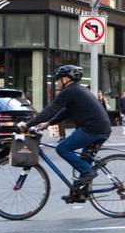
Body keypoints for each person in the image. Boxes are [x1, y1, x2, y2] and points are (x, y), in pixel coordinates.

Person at [20, 64, 112, 204]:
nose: (57, 83)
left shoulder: (70, 91)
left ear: (66, 79)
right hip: (101, 128)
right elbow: (66, 111)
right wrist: (48, 123)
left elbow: (51, 109)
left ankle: (87, 173)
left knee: (62, 148)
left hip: (93, 129)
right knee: (84, 163)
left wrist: (28, 124)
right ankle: (79, 194)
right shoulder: (77, 90)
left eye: (58, 80)